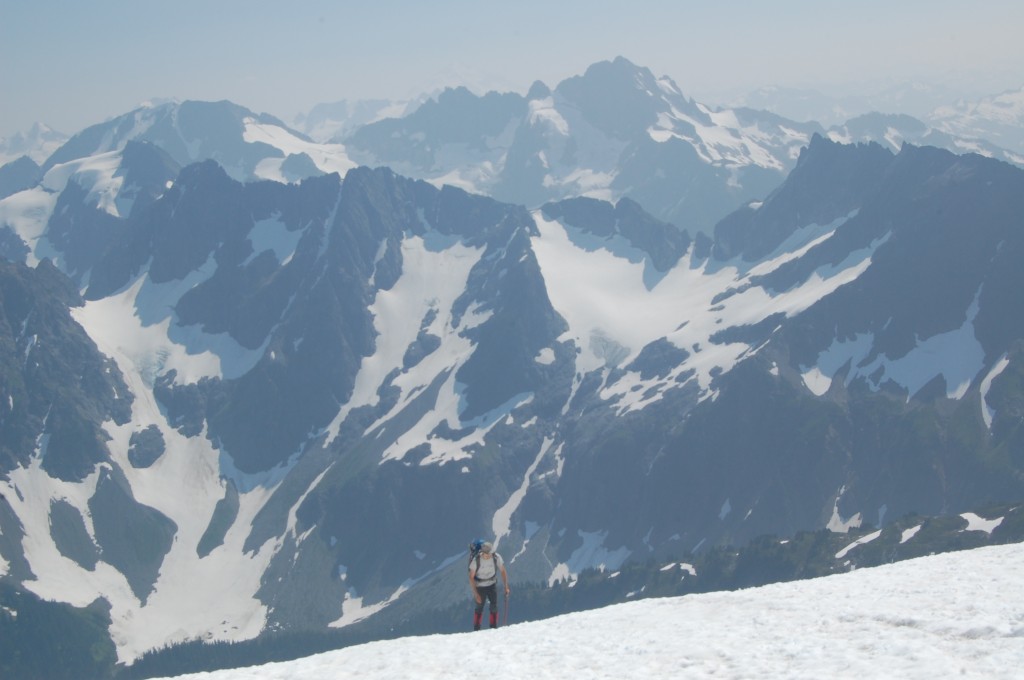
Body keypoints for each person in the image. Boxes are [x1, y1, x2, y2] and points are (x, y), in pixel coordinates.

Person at [469, 540, 509, 630]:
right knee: (479, 607)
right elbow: (471, 577)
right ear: (482, 552)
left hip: (492, 584)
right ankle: (477, 629)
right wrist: (476, 594)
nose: (489, 555)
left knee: (494, 606)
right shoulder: (476, 560)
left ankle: (493, 627)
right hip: (480, 586)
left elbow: (503, 571)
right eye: (488, 554)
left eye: (490, 553)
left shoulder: (496, 557)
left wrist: (506, 586)